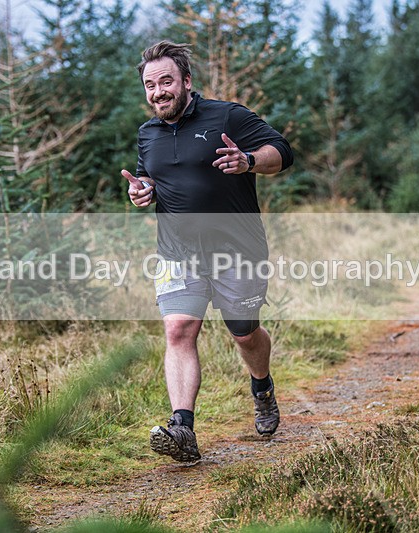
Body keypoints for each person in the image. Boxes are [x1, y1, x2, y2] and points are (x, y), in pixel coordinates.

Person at [121, 40, 293, 463]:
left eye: (166, 81)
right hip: (177, 253)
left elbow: (282, 152)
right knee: (178, 330)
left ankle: (262, 387)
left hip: (238, 249)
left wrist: (249, 160)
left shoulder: (226, 115)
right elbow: (151, 178)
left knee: (244, 333)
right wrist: (141, 191)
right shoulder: (148, 134)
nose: (158, 91)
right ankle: (183, 429)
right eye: (150, 84)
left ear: (186, 82)